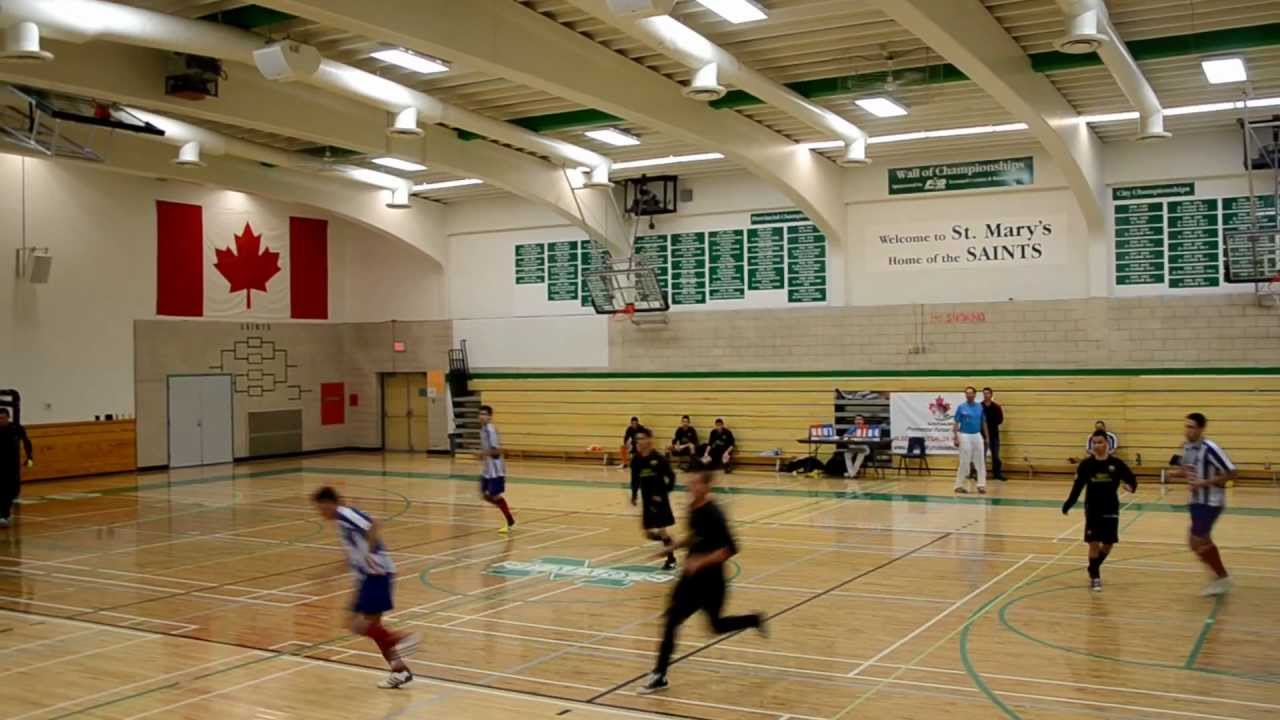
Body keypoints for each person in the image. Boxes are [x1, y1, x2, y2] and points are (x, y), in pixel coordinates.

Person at [639, 471, 766, 694]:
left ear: (707, 486)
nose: (691, 487)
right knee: (671, 621)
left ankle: (753, 619)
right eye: (690, 483)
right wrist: (673, 547)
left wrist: (702, 561)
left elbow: (731, 548)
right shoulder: (692, 508)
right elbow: (694, 535)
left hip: (711, 581)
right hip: (689, 582)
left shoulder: (714, 513)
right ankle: (659, 675)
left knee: (715, 627)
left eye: (695, 483)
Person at [312, 486, 418, 689]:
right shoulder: (341, 524)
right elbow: (351, 557)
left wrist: (369, 555)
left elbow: (374, 525)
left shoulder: (345, 515)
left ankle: (403, 638)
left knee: (355, 623)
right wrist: (328, 574)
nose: (320, 513)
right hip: (369, 577)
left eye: (320, 507)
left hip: (376, 574)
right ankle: (400, 671)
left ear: (329, 503)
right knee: (373, 627)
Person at [1167, 412, 1236, 596]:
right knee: (1196, 542)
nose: (1187, 430)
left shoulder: (1210, 448)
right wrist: (1176, 474)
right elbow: (1189, 470)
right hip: (1196, 500)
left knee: (1197, 539)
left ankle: (1221, 578)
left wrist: (1203, 483)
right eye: (1186, 426)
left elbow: (1231, 473)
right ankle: (1219, 576)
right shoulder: (1188, 448)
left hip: (1211, 501)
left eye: (1191, 427)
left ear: (1201, 428)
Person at [1063, 431, 1137, 592]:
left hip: (1110, 507)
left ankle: (1093, 566)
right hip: (1092, 508)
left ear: (1107, 444)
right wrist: (1069, 503)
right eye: (1094, 443)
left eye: (1100, 442)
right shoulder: (1086, 465)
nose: (1097, 446)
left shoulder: (1116, 464)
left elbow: (1131, 479)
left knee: (1109, 543)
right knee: (1094, 542)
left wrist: (1130, 487)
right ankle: (1095, 576)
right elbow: (1078, 487)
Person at [630, 429, 678, 571]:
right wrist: (634, 495)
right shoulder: (636, 460)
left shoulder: (658, 458)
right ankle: (670, 542)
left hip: (659, 500)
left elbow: (672, 476)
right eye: (637, 439)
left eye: (642, 438)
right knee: (647, 532)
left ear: (649, 440)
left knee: (662, 530)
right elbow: (635, 480)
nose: (639, 441)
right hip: (646, 499)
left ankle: (671, 559)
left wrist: (664, 493)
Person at [477, 405, 516, 534]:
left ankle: (509, 520)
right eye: (480, 414)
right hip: (487, 469)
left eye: (484, 414)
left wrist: (483, 454)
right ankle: (504, 510)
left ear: (489, 416)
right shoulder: (482, 430)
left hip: (495, 469)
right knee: (484, 494)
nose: (482, 416)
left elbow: (497, 451)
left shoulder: (490, 430)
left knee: (495, 495)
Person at [0, 408, 33, 528]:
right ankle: (3, 515)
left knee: (12, 490)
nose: (1, 420)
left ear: (8, 418)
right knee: (2, 490)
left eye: (3, 418)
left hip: (12, 464)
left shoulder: (16, 428)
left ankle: (4, 514)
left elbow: (26, 441)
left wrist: (29, 457)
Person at [952, 386, 987, 494]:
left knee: (980, 460)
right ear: (965, 395)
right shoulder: (961, 407)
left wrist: (987, 437)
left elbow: (983, 423)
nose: (969, 395)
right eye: (967, 393)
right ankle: (959, 485)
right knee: (964, 461)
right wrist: (955, 437)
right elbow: (956, 423)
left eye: (971, 393)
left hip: (977, 435)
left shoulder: (980, 407)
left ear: (975, 395)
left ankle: (981, 485)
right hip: (964, 435)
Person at [981, 387, 1007, 480]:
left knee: (995, 455)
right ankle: (981, 474)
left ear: (991, 395)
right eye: (984, 393)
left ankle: (997, 473)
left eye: (987, 393)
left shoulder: (996, 407)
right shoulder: (980, 406)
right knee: (981, 456)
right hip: (982, 435)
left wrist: (989, 422)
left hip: (994, 435)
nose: (986, 395)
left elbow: (1000, 420)